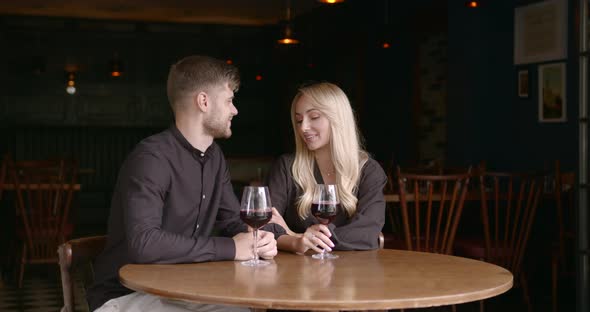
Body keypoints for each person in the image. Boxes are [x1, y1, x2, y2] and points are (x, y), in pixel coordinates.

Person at [87, 55, 277, 312]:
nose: (235, 110)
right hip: (125, 295)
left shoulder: (215, 157)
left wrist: (262, 239)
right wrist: (232, 247)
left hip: (181, 290)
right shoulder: (151, 157)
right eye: (229, 100)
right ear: (204, 101)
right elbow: (144, 243)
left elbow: (232, 221)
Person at [267, 82, 386, 255]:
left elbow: (367, 232)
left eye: (314, 117)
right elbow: (266, 224)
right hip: (296, 274)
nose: (303, 127)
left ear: (338, 119)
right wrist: (296, 241)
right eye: (299, 120)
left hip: (354, 274)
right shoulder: (286, 167)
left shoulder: (369, 171)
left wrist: (296, 236)